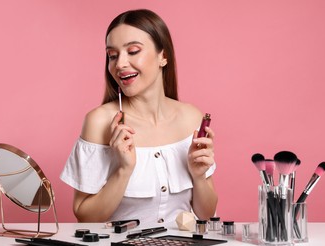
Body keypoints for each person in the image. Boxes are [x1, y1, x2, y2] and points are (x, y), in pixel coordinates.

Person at [60, 9, 218, 225]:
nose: (120, 64)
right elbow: (85, 217)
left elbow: (206, 214)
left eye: (133, 51)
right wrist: (123, 170)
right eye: (112, 55)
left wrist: (199, 177)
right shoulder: (99, 122)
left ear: (163, 56)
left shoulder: (191, 118)